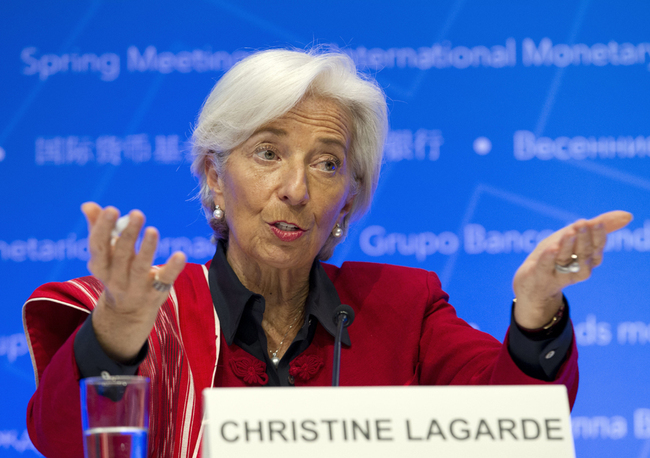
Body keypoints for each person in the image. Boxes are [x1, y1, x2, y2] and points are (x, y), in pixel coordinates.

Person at [23, 48, 632, 458]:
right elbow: (62, 440)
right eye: (268, 152)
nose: (296, 188)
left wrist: (536, 309)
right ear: (214, 175)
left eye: (327, 163)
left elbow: (514, 426)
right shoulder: (154, 311)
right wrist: (117, 336)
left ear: (348, 199)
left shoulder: (402, 305)